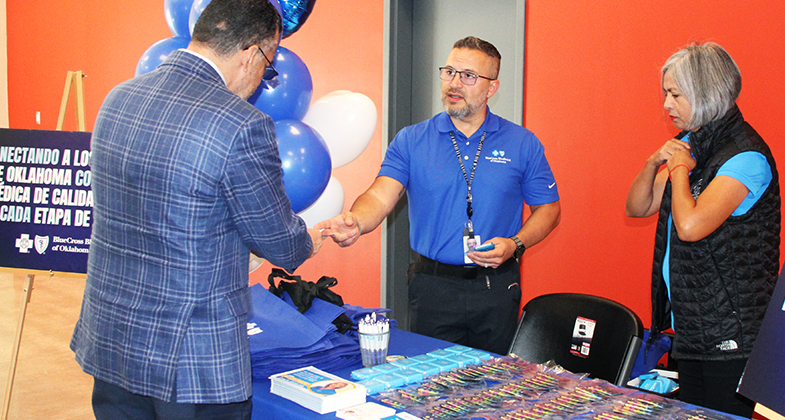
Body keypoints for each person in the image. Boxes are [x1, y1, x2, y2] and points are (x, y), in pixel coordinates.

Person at [70, 0, 323, 418]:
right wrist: (310, 239)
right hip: (190, 363)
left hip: (112, 341)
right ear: (252, 53)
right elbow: (281, 244)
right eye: (269, 64)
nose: (264, 77)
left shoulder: (118, 98)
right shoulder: (239, 124)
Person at [318, 36, 561, 355]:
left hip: (497, 286)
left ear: (492, 88)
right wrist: (357, 221)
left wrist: (516, 243)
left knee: (491, 386)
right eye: (449, 72)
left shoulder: (522, 143)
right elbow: (379, 196)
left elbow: (549, 209)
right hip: (433, 287)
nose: (454, 83)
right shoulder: (411, 140)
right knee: (431, 389)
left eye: (468, 76)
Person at [625, 42, 780, 418]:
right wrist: (652, 164)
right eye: (665, 93)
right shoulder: (694, 143)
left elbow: (691, 225)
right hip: (694, 326)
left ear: (706, 93)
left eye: (675, 94)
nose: (666, 104)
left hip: (733, 332)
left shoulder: (746, 157)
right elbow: (637, 206)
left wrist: (679, 169)